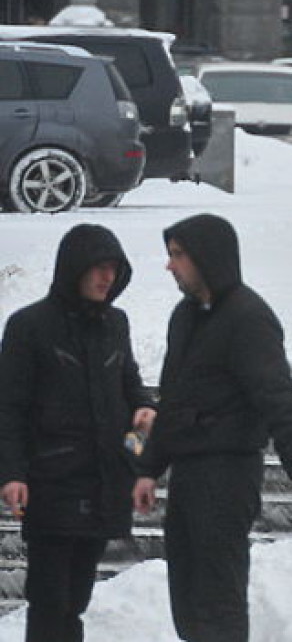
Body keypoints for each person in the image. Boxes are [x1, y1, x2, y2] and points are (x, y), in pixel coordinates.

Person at [132, 214, 292, 642]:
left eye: (177, 256)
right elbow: (172, 401)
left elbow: (279, 400)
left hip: (227, 475)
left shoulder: (249, 318)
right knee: (186, 596)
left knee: (218, 599)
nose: (169, 266)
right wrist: (148, 468)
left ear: (206, 258)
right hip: (189, 475)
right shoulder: (184, 318)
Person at [0, 224, 154, 642]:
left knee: (76, 600)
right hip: (51, 483)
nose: (107, 278)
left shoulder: (116, 323)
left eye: (113, 269)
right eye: (98, 268)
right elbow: (9, 408)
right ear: (74, 269)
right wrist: (11, 473)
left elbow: (130, 382)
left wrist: (144, 407)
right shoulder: (28, 326)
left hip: (104, 481)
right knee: (50, 602)